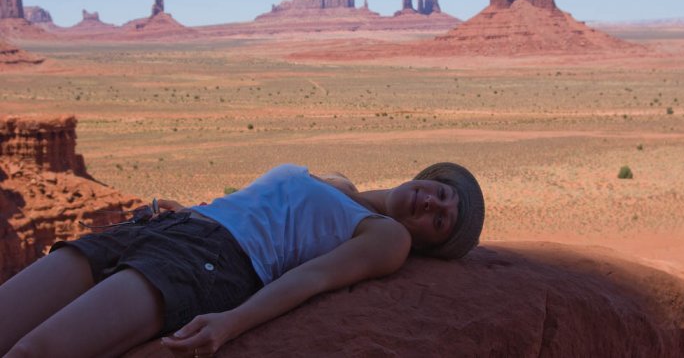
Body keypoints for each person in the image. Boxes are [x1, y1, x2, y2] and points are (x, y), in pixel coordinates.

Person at [0, 162, 484, 357]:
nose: (433, 204)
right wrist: (184, 210)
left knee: (32, 354)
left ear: (425, 242)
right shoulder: (340, 187)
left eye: (441, 220)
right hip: (157, 229)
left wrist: (233, 321)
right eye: (441, 193)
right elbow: (253, 203)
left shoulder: (387, 238)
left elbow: (315, 277)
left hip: (211, 262)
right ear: (427, 177)